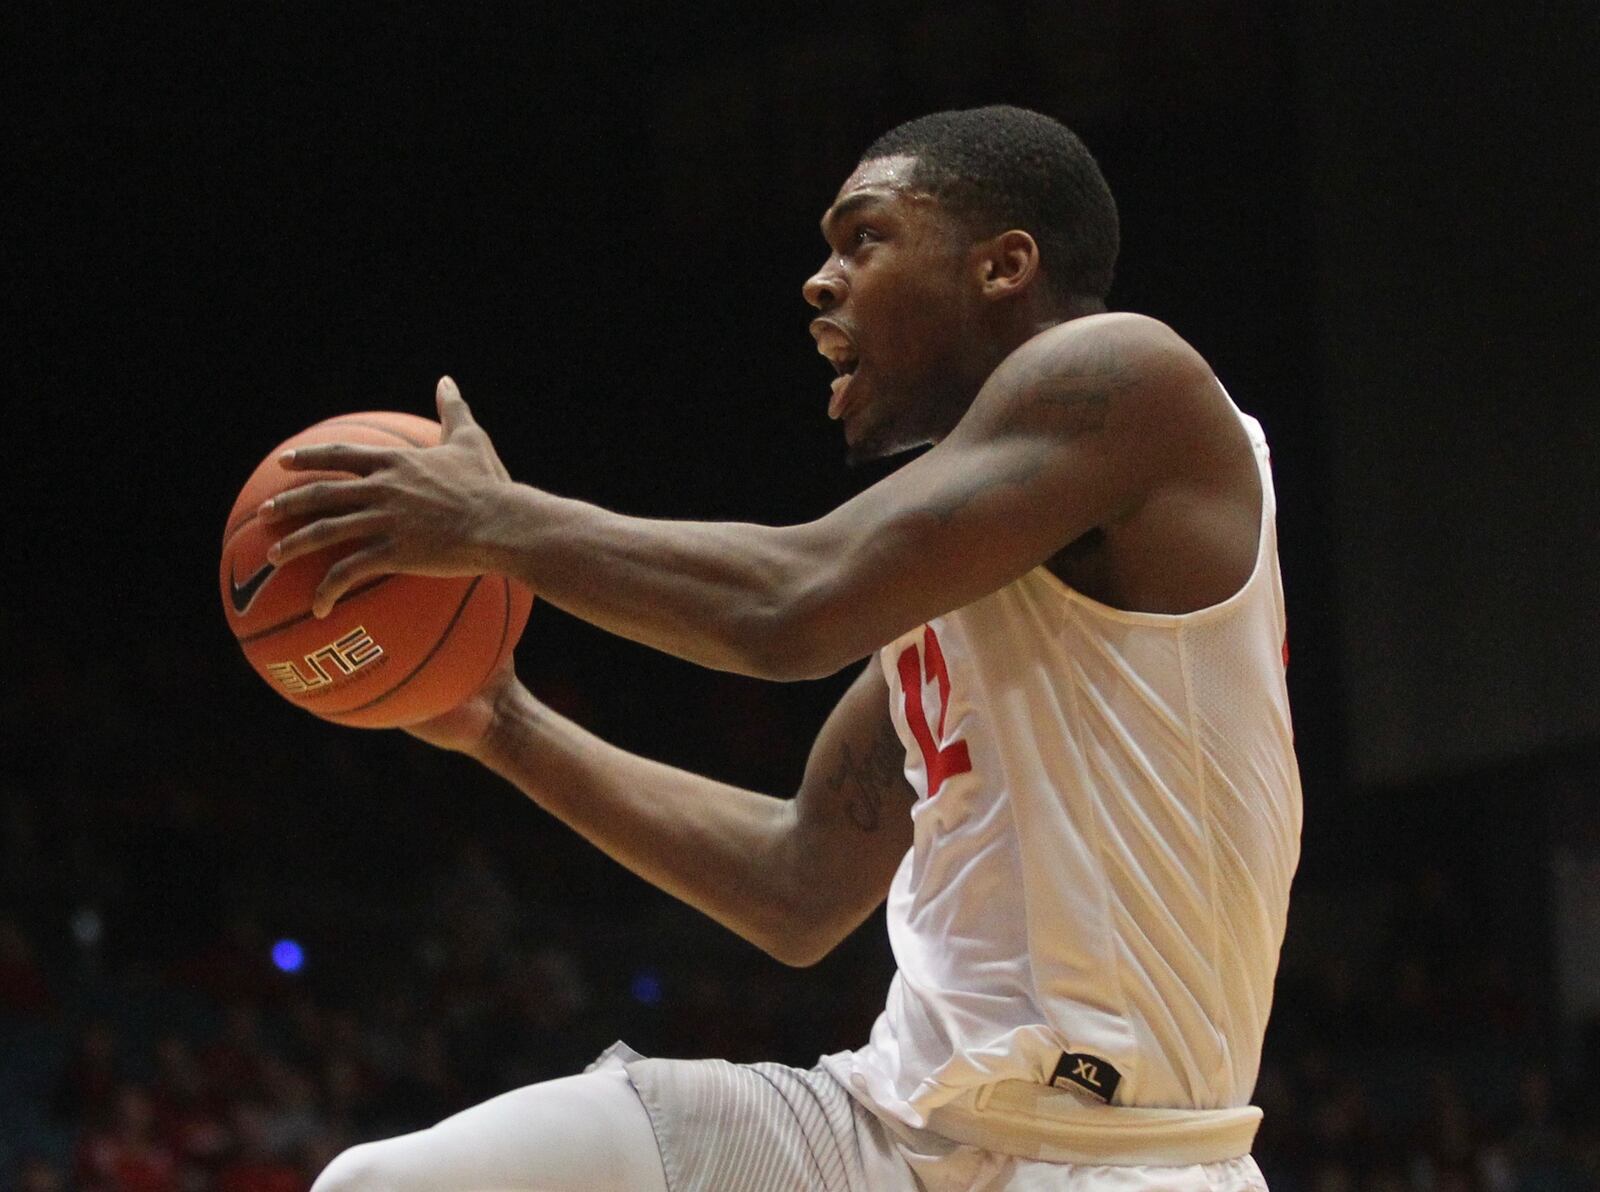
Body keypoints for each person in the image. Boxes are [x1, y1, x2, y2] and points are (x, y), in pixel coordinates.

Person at [274, 105, 1301, 1191]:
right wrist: (501, 722)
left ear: (1003, 266)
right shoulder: (949, 586)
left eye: (864, 237)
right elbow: (798, 884)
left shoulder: (1130, 378)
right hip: (881, 1129)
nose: (819, 280)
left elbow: (792, 604)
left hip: (1120, 1158)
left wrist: (494, 521)